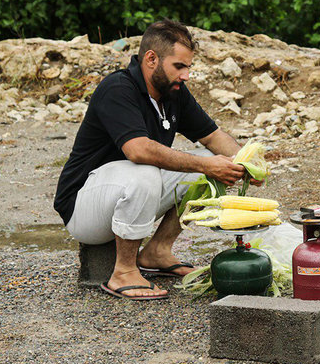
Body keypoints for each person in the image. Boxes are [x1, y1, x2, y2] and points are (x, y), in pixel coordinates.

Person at [54, 19, 257, 300]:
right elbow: (138, 150)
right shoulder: (118, 89)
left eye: (188, 67)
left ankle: (157, 251)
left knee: (211, 161)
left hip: (126, 193)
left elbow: (213, 138)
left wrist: (244, 163)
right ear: (151, 59)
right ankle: (123, 271)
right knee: (148, 170)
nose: (185, 75)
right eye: (179, 67)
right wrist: (206, 164)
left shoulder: (173, 93)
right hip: (83, 207)